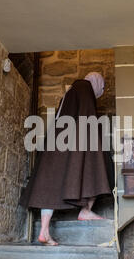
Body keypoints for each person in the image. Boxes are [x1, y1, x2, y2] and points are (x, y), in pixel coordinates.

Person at [19, 72, 113, 246]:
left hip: (56, 144)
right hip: (73, 144)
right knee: (97, 170)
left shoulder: (71, 91)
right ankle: (85, 210)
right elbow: (88, 121)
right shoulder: (85, 88)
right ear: (96, 82)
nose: (101, 90)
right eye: (101, 86)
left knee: (50, 187)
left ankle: (44, 232)